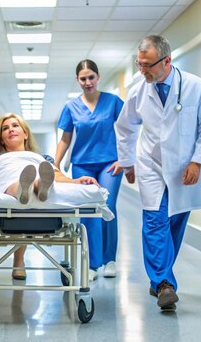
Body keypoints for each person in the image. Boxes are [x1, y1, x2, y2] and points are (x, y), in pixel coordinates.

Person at [115, 35, 201, 312]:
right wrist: (128, 163)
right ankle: (164, 284)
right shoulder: (139, 91)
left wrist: (198, 161)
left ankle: (158, 278)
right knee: (155, 220)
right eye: (139, 65)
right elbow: (124, 127)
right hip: (150, 164)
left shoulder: (196, 87)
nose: (142, 71)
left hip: (184, 167)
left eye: (147, 65)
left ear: (167, 61)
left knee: (175, 222)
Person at [0, 113, 99, 280]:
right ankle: (26, 188)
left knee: (38, 176)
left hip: (35, 191)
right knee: (15, 184)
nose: (10, 130)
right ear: (1, 139)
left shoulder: (42, 159)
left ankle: (39, 186)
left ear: (25, 133)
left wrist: (77, 181)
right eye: (5, 128)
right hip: (9, 188)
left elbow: (59, 177)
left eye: (15, 126)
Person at [55, 59, 125, 281]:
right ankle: (93, 263)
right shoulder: (71, 107)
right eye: (83, 79)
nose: (87, 82)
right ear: (77, 80)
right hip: (82, 164)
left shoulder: (113, 102)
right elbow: (65, 139)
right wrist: (55, 164)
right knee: (88, 210)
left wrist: (126, 158)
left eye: (91, 77)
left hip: (110, 163)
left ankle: (110, 259)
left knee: (107, 205)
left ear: (98, 77)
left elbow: (127, 131)